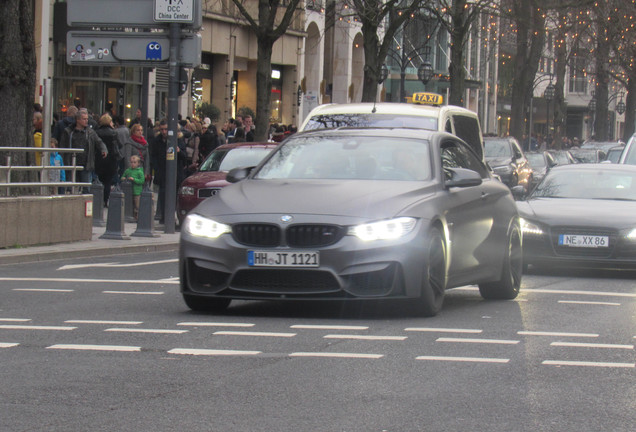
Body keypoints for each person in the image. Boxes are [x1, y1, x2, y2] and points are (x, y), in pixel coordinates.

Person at [59, 108, 108, 188]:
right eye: (84, 119)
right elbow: (63, 147)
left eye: (87, 119)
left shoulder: (90, 132)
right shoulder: (68, 132)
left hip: (86, 164)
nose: (86, 121)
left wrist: (103, 149)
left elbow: (99, 141)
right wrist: (62, 161)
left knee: (86, 187)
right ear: (78, 120)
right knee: (70, 187)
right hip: (71, 163)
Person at [95, 113, 123, 206]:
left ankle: (98, 199)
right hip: (111, 159)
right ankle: (105, 200)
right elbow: (120, 144)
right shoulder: (114, 132)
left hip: (99, 158)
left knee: (99, 180)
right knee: (108, 182)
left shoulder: (97, 132)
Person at [121, 155, 145, 219]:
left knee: (137, 205)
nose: (133, 164)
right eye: (131, 162)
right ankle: (130, 215)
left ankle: (137, 216)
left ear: (138, 163)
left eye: (134, 162)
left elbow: (142, 181)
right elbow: (123, 177)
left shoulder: (140, 172)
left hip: (137, 191)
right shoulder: (128, 170)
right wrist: (123, 178)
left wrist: (134, 179)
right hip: (128, 192)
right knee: (130, 204)